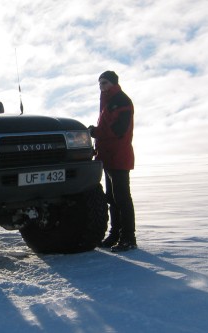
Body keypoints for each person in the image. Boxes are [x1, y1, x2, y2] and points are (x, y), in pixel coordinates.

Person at [89, 71, 136, 252]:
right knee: (112, 198)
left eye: (105, 83)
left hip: (119, 155)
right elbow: (107, 128)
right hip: (108, 156)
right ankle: (115, 234)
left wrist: (96, 132)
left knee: (122, 197)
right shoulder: (108, 102)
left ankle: (129, 237)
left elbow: (118, 130)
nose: (102, 86)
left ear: (114, 83)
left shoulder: (121, 101)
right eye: (100, 83)